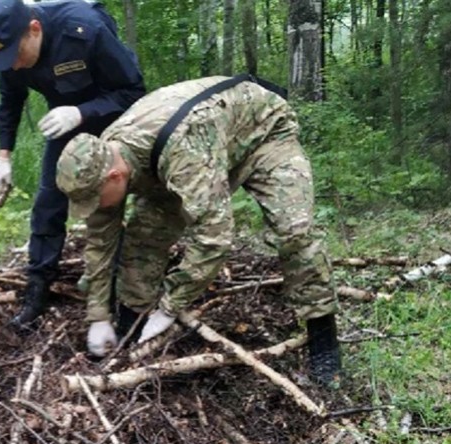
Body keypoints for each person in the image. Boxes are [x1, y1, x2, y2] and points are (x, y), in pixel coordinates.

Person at [55, 75, 342, 385]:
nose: (94, 206)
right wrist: (98, 314)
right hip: (188, 154)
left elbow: (214, 238)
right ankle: (130, 328)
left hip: (262, 134)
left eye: (93, 199)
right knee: (142, 240)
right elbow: (100, 240)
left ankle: (323, 337)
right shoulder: (106, 154)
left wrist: (168, 308)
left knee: (294, 230)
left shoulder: (182, 149)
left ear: (113, 176)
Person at [0, 0, 145, 325]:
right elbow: (10, 102)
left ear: (35, 30)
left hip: (115, 118)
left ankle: (124, 289)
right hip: (63, 121)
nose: (12, 66)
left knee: (111, 203)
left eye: (15, 55)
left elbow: (133, 91)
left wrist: (82, 112)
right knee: (47, 204)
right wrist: (3, 156)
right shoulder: (12, 52)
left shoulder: (85, 30)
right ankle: (37, 290)